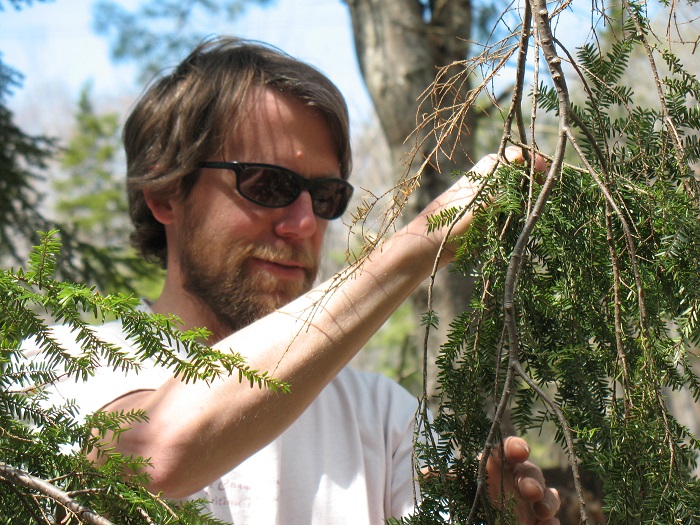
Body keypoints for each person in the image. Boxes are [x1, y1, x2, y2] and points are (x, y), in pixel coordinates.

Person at [39, 37, 560, 524]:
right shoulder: (58, 367)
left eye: (326, 195)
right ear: (165, 193)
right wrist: (420, 244)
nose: (305, 224)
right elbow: (152, 456)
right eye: (268, 184)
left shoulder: (384, 417)